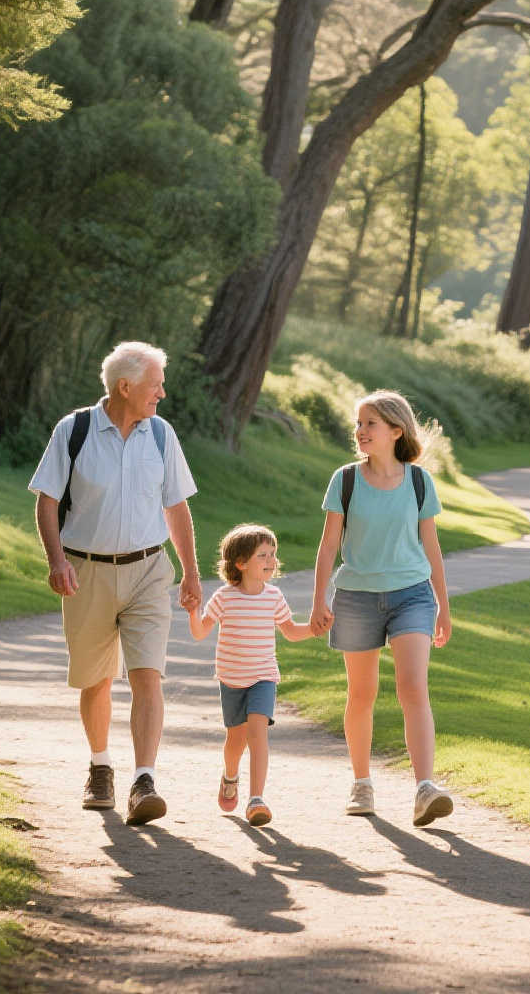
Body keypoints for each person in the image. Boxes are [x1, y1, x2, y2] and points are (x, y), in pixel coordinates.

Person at [29, 341, 204, 826]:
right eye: (155, 385)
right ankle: (101, 766)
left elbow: (176, 506)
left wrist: (190, 572)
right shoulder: (75, 430)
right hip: (85, 571)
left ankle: (144, 778)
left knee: (148, 674)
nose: (162, 394)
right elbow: (46, 502)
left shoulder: (162, 435)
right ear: (124, 387)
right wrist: (57, 561)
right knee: (97, 678)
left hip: (149, 569)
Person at [306, 391, 456, 826]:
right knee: (362, 693)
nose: (360, 431)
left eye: (370, 423)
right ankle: (362, 783)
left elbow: (431, 546)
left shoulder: (419, 481)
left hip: (412, 593)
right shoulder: (345, 480)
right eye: (358, 423)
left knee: (413, 688)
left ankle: (424, 788)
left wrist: (443, 607)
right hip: (356, 597)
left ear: (396, 430)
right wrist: (319, 598)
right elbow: (329, 544)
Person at [189, 524, 319, 827]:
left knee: (257, 732)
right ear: (241, 562)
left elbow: (290, 631)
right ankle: (230, 776)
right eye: (263, 555)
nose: (271, 561)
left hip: (263, 676)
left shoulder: (274, 596)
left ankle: (256, 798)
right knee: (236, 738)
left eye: (273, 554)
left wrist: (315, 628)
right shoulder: (224, 597)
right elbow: (199, 632)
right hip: (232, 678)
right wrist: (192, 611)